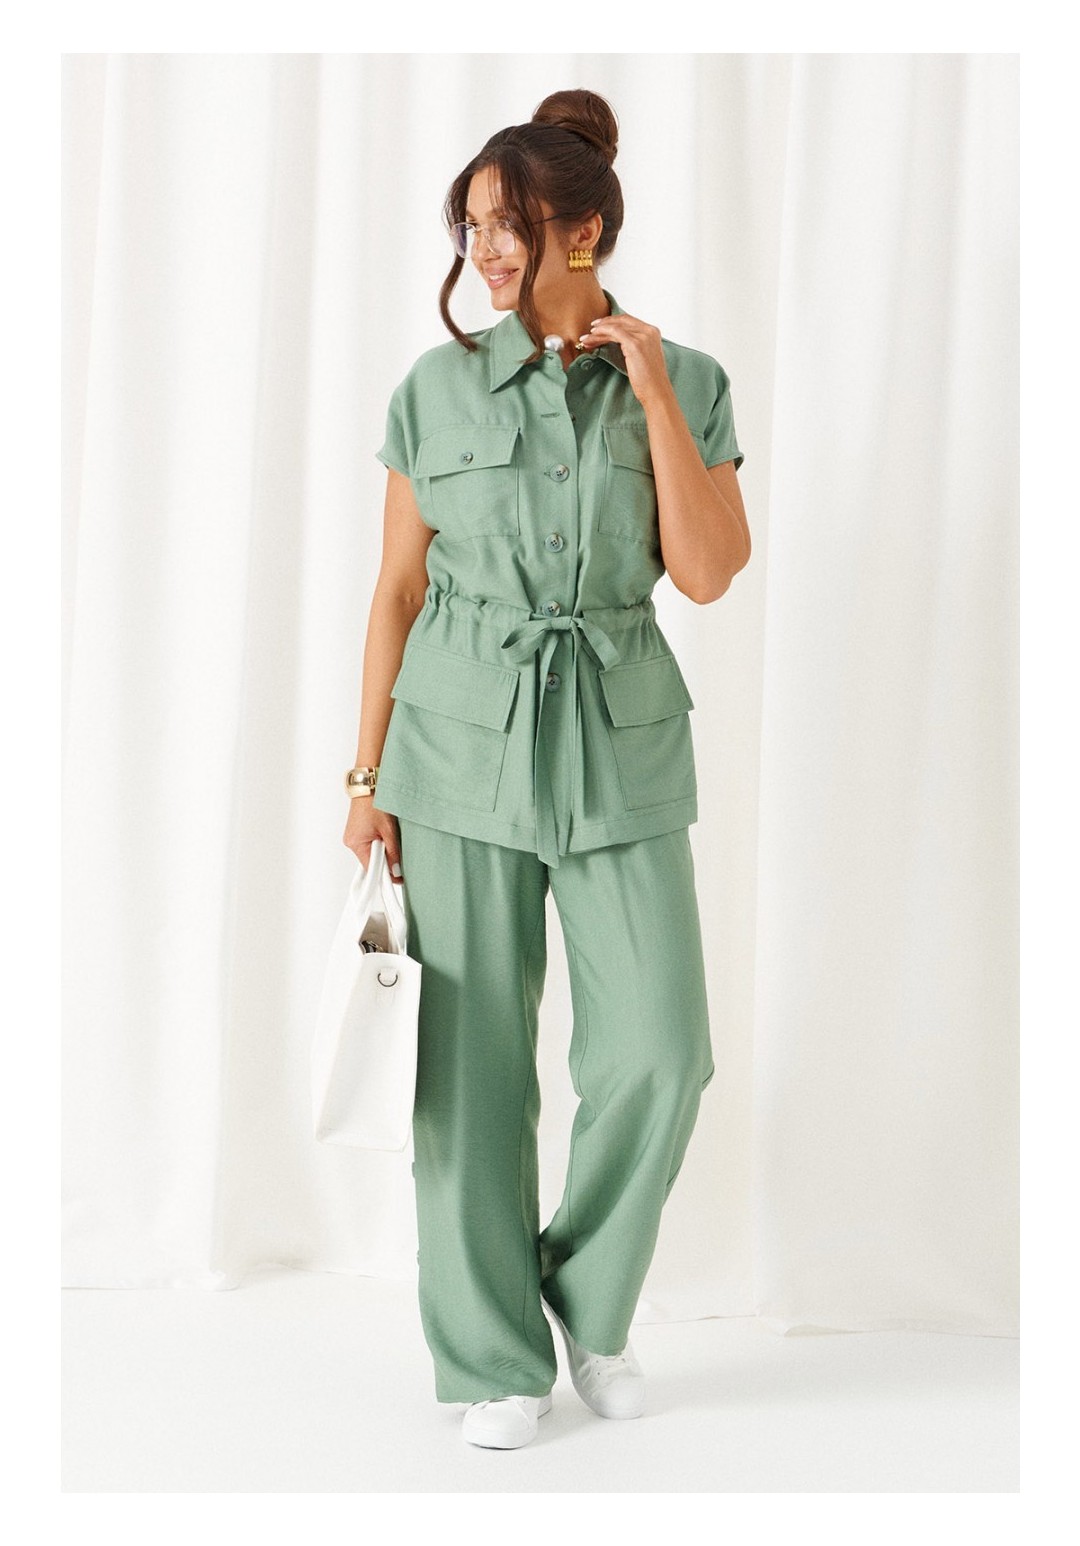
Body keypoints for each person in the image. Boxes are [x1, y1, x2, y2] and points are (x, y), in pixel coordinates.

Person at [342, 88, 750, 1450]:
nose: (485, 251)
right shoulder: (434, 387)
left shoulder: (688, 379)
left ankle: (584, 1292)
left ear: (586, 231)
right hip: (452, 744)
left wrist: (648, 386)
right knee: (468, 1076)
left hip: (621, 741)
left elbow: (709, 570)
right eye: (471, 226)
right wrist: (363, 780)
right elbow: (397, 593)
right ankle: (493, 1356)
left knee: (663, 1051)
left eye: (509, 224)